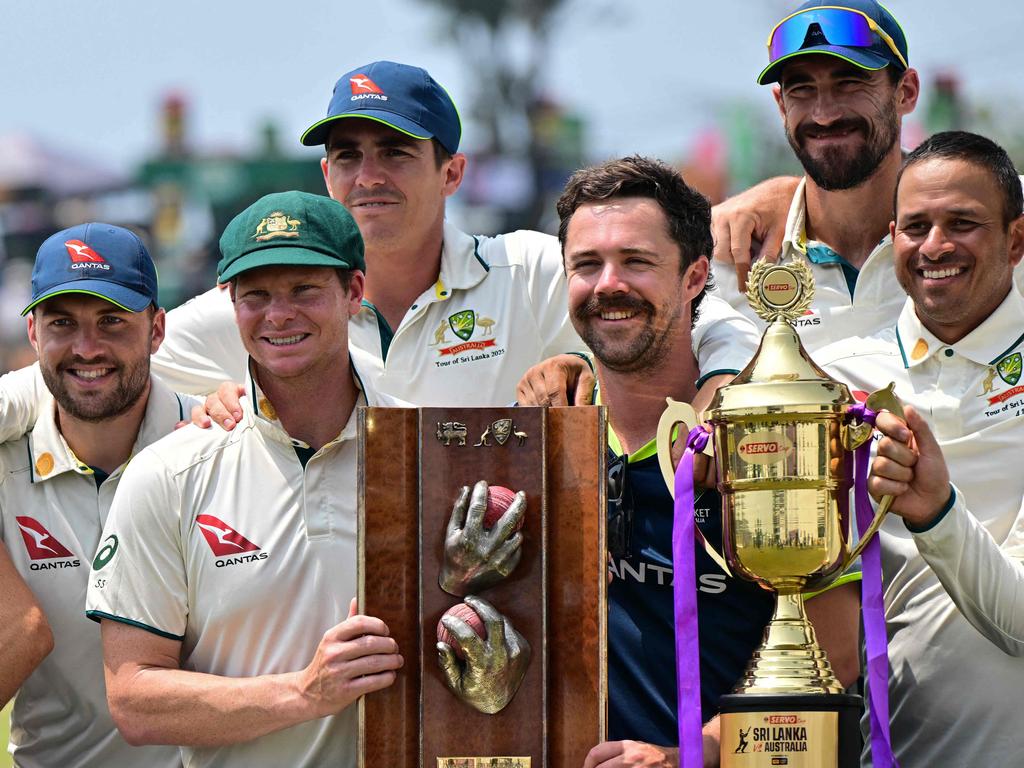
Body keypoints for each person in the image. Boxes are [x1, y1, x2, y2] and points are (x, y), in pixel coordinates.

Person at [547, 157, 859, 768]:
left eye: (637, 261)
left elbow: (839, 652)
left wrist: (690, 755)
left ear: (694, 276)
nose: (609, 284)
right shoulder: (551, 443)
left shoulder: (769, 437)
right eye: (587, 264)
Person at [85, 192, 404, 768]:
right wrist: (305, 693)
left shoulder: (427, 446)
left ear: (355, 291)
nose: (278, 314)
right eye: (255, 295)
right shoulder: (169, 473)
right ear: (230, 304)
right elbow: (134, 698)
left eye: (304, 289)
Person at [814, 131, 1024, 766]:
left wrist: (935, 511)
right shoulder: (830, 379)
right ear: (892, 238)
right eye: (917, 226)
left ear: (1017, 239)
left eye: (963, 223)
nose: (936, 246)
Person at [710, 1, 1024, 344]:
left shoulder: (1006, 218)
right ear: (781, 105)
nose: (825, 114)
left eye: (850, 82)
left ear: (906, 92)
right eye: (801, 89)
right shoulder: (730, 257)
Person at [0, 223, 186, 766]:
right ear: (34, 334)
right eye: (63, 323)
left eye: (111, 321)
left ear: (156, 329)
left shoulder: (215, 445)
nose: (87, 349)